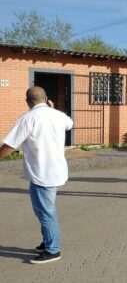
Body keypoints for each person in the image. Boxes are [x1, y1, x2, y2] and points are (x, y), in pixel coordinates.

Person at [0, 86, 73, 264]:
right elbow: (70, 124)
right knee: (43, 211)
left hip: (42, 174)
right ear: (46, 98)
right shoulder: (58, 115)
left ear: (27, 102)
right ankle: (48, 241)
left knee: (46, 213)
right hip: (56, 171)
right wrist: (53, 108)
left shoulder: (27, 118)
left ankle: (53, 250)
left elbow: (10, 144)